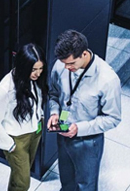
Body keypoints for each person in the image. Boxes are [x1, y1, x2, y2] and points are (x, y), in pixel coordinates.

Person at [47, 29, 121, 191]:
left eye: (71, 64)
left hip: (88, 142)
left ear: (84, 54)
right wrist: (54, 113)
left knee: (86, 185)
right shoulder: (61, 65)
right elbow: (53, 94)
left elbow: (113, 118)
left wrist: (79, 129)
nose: (66, 68)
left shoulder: (107, 79)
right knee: (66, 181)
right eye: (64, 63)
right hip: (63, 134)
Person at [0, 43, 49, 191]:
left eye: (40, 69)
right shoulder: (4, 89)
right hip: (16, 139)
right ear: (23, 66)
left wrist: (40, 117)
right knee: (23, 182)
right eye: (34, 69)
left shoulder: (34, 80)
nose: (38, 73)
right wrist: (10, 146)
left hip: (34, 131)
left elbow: (39, 100)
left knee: (19, 176)